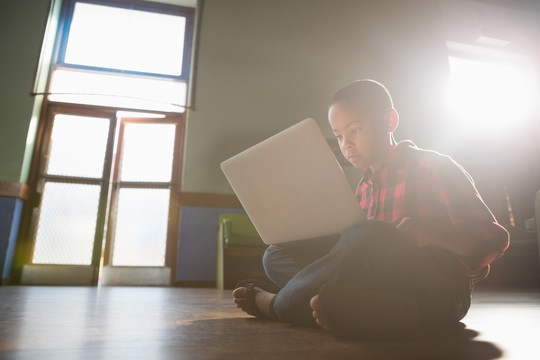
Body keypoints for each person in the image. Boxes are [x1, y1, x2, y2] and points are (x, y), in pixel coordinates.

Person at [233, 79, 509, 337]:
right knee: (276, 254)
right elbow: (353, 256)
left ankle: (280, 305)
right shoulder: (362, 189)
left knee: (367, 234)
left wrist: (430, 234)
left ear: (389, 121)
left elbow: (493, 239)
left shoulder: (432, 166)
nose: (346, 144)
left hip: (441, 291)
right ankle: (352, 309)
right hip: (385, 288)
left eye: (354, 130)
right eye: (339, 136)